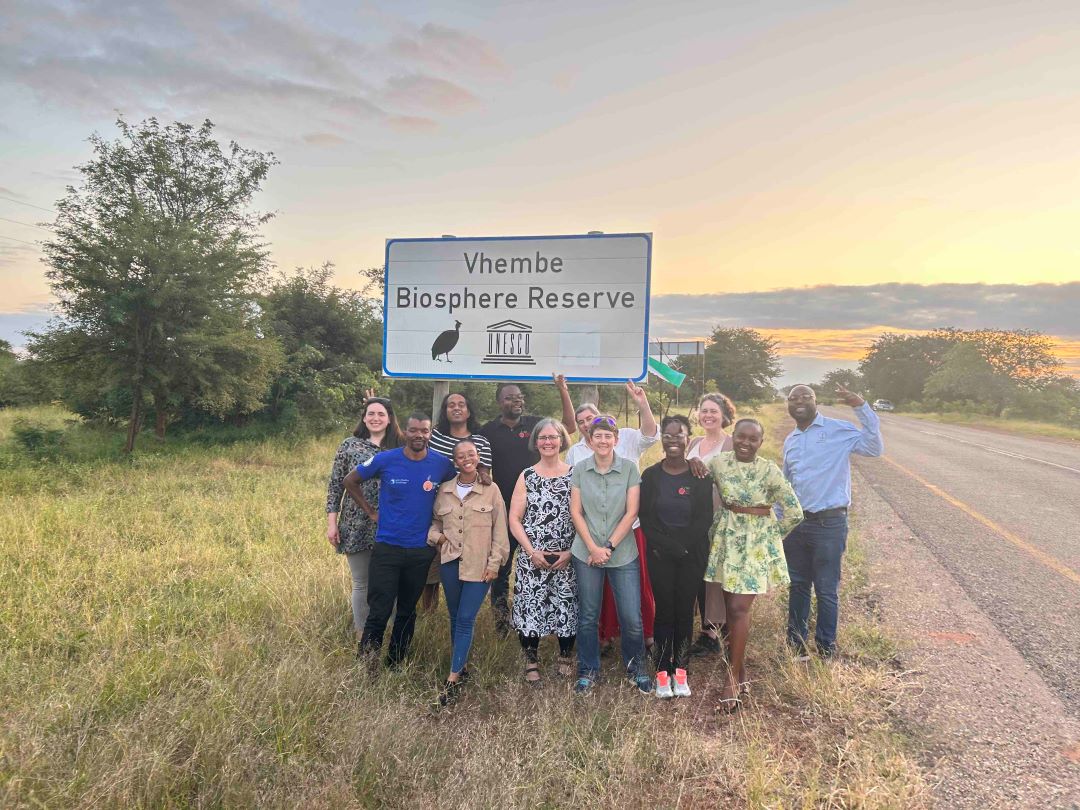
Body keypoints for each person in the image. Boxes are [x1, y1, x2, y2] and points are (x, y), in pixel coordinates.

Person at [344, 413, 457, 668]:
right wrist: (371, 511)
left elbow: (458, 486)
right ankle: (367, 664)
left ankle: (395, 663)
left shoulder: (441, 464)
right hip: (388, 547)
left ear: (430, 433)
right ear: (405, 432)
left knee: (407, 611)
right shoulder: (386, 459)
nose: (419, 435)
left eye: (424, 431)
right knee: (380, 610)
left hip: (420, 550)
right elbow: (350, 481)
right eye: (414, 430)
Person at [705, 418, 803, 712]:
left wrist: (769, 539)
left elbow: (794, 512)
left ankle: (732, 677)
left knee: (738, 609)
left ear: (761, 443)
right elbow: (696, 476)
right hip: (725, 541)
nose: (745, 444)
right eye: (741, 437)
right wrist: (696, 467)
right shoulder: (719, 463)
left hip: (753, 545)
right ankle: (740, 666)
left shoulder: (769, 470)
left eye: (753, 440)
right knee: (727, 608)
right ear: (732, 437)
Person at [782, 384, 883, 660]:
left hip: (829, 524)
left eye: (805, 397)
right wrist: (780, 525)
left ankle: (826, 648)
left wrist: (860, 406)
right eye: (793, 398)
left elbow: (874, 447)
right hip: (797, 525)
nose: (799, 401)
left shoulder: (838, 430)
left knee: (826, 589)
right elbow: (786, 485)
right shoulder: (791, 440)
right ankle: (797, 646)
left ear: (816, 402)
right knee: (798, 585)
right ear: (788, 405)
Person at [565, 382, 659, 652]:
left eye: (589, 419)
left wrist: (643, 403)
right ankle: (605, 635)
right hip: (593, 532)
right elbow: (576, 500)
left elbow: (651, 435)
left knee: (637, 584)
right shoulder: (577, 453)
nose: (585, 424)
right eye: (580, 421)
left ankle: (647, 634)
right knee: (601, 591)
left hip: (630, 529)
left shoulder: (626, 438)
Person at [480, 376, 576, 634]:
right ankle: (501, 622)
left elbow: (569, 426)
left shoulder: (535, 425)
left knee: (542, 569)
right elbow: (470, 452)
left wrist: (563, 390)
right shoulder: (488, 431)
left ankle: (544, 621)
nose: (517, 400)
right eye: (510, 397)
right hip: (503, 512)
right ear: (500, 402)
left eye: (520, 396)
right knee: (501, 568)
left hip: (538, 516)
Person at [569, 414, 649, 695]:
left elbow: (632, 512)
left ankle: (636, 668)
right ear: (589, 441)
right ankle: (588, 671)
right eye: (597, 436)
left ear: (616, 440)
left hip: (623, 552)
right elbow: (576, 512)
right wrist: (593, 548)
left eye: (608, 436)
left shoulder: (629, 469)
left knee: (631, 616)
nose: (603, 441)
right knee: (588, 615)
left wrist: (609, 547)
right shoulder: (579, 469)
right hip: (586, 553)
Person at [428, 439, 509, 706]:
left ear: (477, 457)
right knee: (454, 617)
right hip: (450, 563)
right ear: (455, 461)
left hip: (479, 566)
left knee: (465, 618)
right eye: (461, 456)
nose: (467, 459)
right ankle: (461, 667)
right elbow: (435, 523)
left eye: (471, 454)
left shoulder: (491, 489)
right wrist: (439, 540)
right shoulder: (445, 490)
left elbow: (500, 532)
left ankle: (452, 678)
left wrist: (494, 563)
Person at [638, 415, 714, 698]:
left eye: (678, 434)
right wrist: (667, 546)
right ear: (662, 439)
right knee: (664, 613)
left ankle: (680, 670)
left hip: (691, 555)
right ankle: (661, 670)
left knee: (685, 612)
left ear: (688, 438)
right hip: (660, 554)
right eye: (667, 435)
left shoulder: (699, 476)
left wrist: (683, 547)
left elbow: (704, 517)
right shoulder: (651, 476)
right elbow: (645, 516)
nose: (672, 440)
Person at [325, 395, 404, 653]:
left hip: (392, 523)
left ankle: (387, 630)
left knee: (389, 582)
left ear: (390, 418)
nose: (375, 418)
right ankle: (362, 634)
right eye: (371, 413)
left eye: (381, 414)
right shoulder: (349, 445)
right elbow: (336, 485)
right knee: (362, 582)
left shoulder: (400, 446)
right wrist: (332, 523)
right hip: (356, 522)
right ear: (364, 417)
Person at [508, 419, 577, 686]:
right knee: (531, 607)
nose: (548, 442)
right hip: (532, 555)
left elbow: (583, 516)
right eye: (543, 437)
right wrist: (531, 551)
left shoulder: (575, 474)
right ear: (535, 442)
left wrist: (571, 552)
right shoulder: (527, 476)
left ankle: (565, 657)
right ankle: (531, 660)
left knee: (566, 607)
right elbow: (515, 518)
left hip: (566, 557)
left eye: (553, 437)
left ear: (562, 440)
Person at [422, 392, 495, 612]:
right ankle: (429, 613)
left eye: (461, 404)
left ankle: (462, 614)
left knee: (464, 566)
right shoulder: (434, 437)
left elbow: (484, 473)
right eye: (451, 405)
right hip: (435, 508)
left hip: (468, 513)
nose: (456, 408)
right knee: (431, 568)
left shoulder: (481, 441)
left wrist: (483, 473)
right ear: (445, 411)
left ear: (469, 410)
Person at [685, 392, 738, 658]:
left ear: (724, 415)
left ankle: (716, 632)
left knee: (718, 576)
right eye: (704, 410)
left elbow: (738, 483)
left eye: (713, 411)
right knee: (698, 573)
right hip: (691, 520)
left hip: (720, 518)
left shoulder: (731, 444)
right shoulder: (693, 442)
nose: (708, 415)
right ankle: (707, 629)